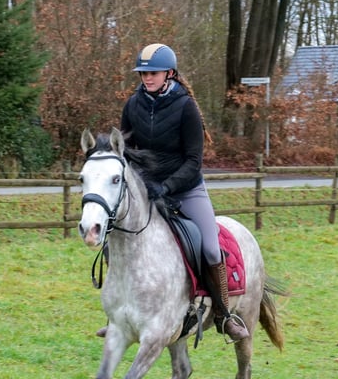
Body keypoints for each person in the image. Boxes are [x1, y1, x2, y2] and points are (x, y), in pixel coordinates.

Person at [97, 43, 249, 342]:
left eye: (152, 73)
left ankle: (223, 314)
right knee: (113, 241)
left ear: (169, 73)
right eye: (143, 73)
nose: (146, 78)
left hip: (186, 189)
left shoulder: (186, 107)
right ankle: (116, 315)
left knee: (208, 247)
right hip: (147, 192)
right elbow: (127, 152)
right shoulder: (132, 105)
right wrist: (136, 185)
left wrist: (166, 186)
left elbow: (194, 162)